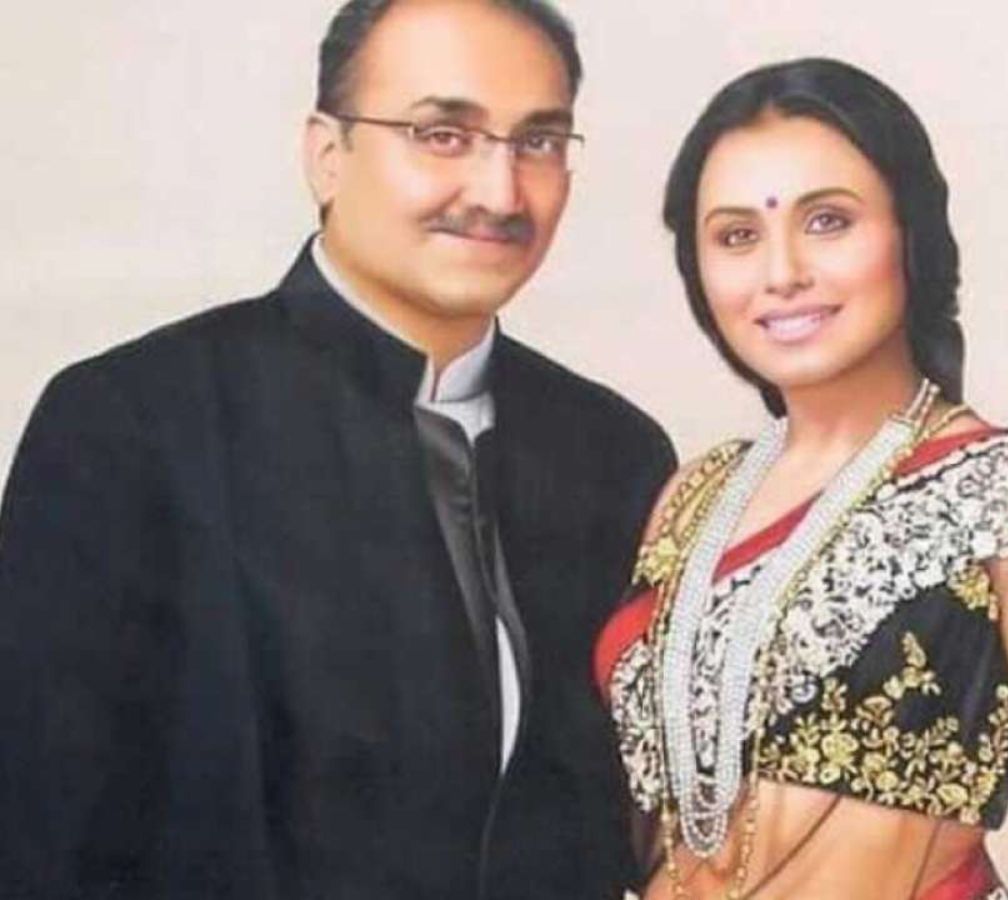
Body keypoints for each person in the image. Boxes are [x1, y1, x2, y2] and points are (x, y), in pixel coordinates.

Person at [0, 1, 674, 898]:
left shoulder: (614, 454)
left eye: (539, 142)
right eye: (442, 134)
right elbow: (36, 841)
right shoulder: (132, 423)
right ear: (327, 153)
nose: (500, 192)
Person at [594, 58, 1008, 898]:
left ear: (910, 235)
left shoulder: (1007, 496)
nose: (781, 272)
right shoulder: (691, 499)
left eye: (828, 221)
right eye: (736, 236)